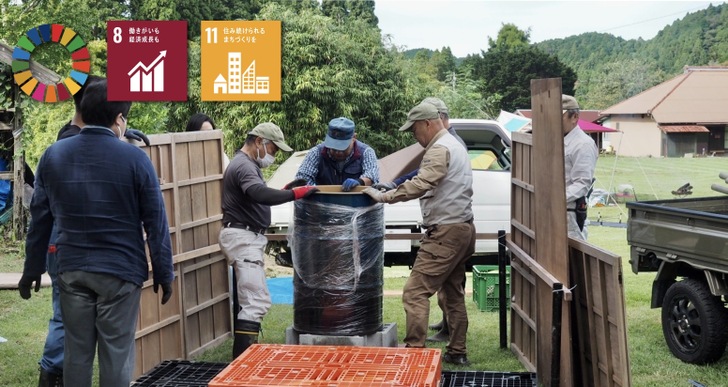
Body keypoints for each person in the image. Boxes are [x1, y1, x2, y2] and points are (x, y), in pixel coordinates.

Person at [19, 79, 174, 387]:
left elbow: (40, 220)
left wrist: (32, 268)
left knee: (76, 353)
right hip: (120, 272)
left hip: (72, 268)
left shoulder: (53, 155)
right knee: (116, 354)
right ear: (120, 119)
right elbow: (155, 222)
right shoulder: (136, 159)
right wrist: (164, 272)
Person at [363, 102, 476, 366]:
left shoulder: (439, 148)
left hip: (446, 231)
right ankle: (457, 351)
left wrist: (385, 196)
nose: (415, 136)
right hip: (463, 227)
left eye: (414, 130)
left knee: (414, 293)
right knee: (452, 293)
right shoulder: (455, 144)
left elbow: (423, 182)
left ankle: (414, 353)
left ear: (427, 123)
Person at [219, 122, 318, 358]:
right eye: (273, 149)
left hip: (246, 237)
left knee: (256, 300)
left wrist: (285, 188)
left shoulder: (246, 164)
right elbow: (259, 194)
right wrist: (294, 194)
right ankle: (240, 365)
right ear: (259, 141)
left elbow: (254, 198)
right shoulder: (244, 166)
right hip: (243, 238)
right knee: (254, 303)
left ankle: (243, 361)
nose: (272, 155)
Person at [295, 117, 379, 191]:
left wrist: (360, 182)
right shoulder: (316, 152)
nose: (338, 152)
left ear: (354, 138)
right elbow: (302, 179)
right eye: (334, 148)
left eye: (342, 148)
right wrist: (317, 192)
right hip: (321, 202)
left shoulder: (366, 152)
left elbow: (372, 175)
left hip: (355, 203)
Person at [562, 95, 598, 240]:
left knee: (571, 260)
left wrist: (555, 199)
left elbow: (582, 183)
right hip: (553, 212)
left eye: (560, 117)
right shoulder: (558, 139)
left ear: (574, 117)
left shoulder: (583, 144)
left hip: (570, 215)